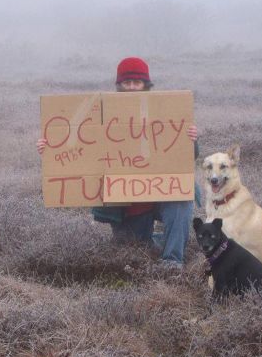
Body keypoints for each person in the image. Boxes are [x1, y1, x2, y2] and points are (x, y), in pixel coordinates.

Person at [37, 57, 199, 271]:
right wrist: (50, 150)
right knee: (136, 248)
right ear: (119, 85)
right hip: (128, 206)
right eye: (127, 82)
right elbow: (83, 154)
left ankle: (172, 262)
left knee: (181, 201)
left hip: (161, 194)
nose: (132, 87)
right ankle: (163, 239)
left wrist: (191, 140)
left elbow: (187, 158)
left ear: (146, 85)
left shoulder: (166, 112)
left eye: (137, 83)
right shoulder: (104, 115)